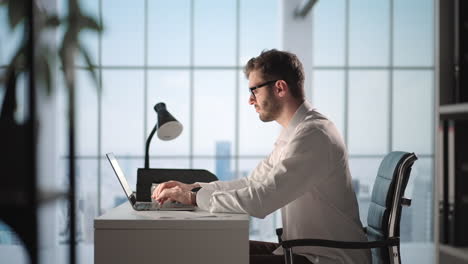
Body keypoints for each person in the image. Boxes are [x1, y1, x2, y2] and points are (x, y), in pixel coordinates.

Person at [152, 49, 371, 264]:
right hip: (300, 250)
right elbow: (253, 183)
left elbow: (262, 200)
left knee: (211, 256)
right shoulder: (296, 132)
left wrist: (192, 197)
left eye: (254, 90)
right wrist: (193, 188)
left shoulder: (313, 135)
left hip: (325, 258)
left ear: (280, 88)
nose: (250, 100)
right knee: (211, 248)